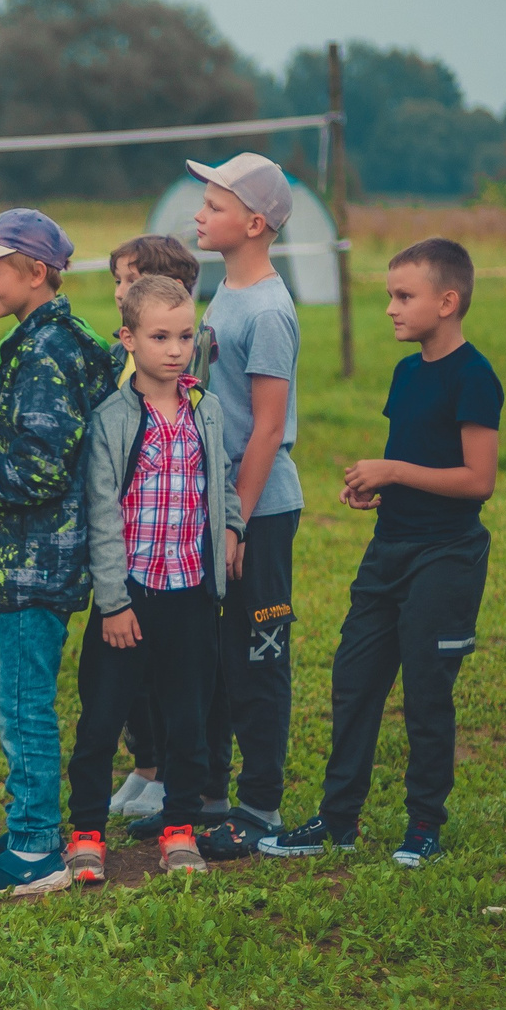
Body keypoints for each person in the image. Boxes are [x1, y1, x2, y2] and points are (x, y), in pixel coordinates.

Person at [263, 239, 502, 867]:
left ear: (447, 302)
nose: (391, 309)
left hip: (446, 558)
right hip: (388, 551)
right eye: (389, 296)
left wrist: (393, 470)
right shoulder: (406, 373)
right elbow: (419, 460)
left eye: (404, 297)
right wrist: (377, 489)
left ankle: (424, 824)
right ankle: (337, 820)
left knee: (427, 693)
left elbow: (478, 481)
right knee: (354, 681)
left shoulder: (476, 377)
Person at [0, 209, 120, 895]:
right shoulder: (42, 339)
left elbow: (42, 466)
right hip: (27, 559)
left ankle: (38, 847)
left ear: (34, 272)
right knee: (16, 701)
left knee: (23, 703)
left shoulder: (48, 351)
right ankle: (28, 824)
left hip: (35, 563)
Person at [54, 275, 244, 884]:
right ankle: (86, 833)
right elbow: (101, 513)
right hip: (129, 597)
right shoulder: (112, 418)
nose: (174, 348)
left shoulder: (205, 411)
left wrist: (232, 529)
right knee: (103, 721)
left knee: (189, 720)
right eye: (160, 336)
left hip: (190, 595)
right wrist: (111, 603)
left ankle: (179, 828)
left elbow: (223, 482)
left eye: (185, 336)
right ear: (128, 338)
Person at [180, 153, 305, 861]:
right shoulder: (226, 291)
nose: (200, 215)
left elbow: (264, 425)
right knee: (217, 658)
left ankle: (260, 808)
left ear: (254, 223)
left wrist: (235, 519)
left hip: (257, 509)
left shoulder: (267, 309)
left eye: (214, 204)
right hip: (217, 504)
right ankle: (211, 798)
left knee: (259, 657)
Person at [93, 233, 206, 825]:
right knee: (127, 686)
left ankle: (166, 777)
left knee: (175, 686)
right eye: (118, 283)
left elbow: (218, 465)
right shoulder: (121, 394)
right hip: (133, 562)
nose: (118, 293)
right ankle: (145, 768)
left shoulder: (193, 389)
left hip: (180, 566)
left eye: (127, 281)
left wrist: (230, 528)